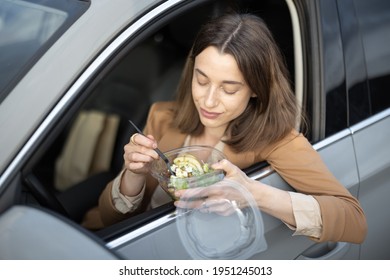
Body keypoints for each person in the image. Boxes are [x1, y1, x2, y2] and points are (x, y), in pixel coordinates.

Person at [82, 13, 367, 244]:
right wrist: (133, 175)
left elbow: (354, 221)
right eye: (202, 80)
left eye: (229, 89)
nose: (207, 101)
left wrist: (251, 193)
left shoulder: (278, 141)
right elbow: (109, 222)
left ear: (256, 89)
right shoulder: (162, 116)